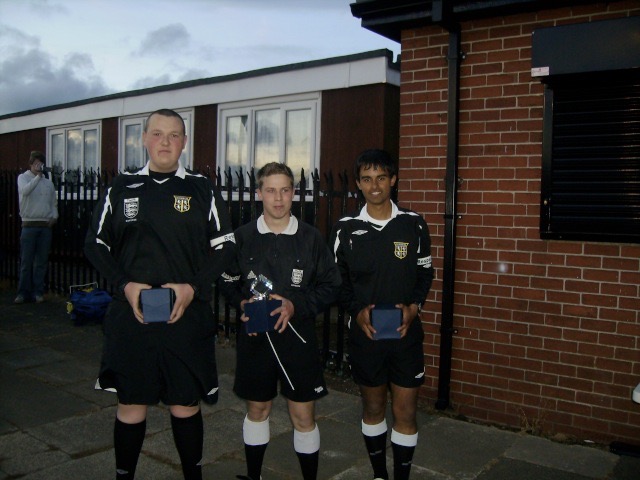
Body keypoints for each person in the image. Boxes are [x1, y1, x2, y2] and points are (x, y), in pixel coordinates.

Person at [84, 108, 235, 480]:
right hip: (131, 317)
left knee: (184, 405)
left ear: (184, 143)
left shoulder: (202, 188)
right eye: (157, 133)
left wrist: (193, 287)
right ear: (143, 138)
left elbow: (226, 246)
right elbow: (95, 244)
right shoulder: (121, 186)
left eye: (173, 135)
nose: (165, 141)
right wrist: (124, 285)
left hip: (186, 317)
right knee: (131, 405)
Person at [218, 162, 341, 480]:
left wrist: (295, 305)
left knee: (303, 414)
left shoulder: (311, 238)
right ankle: (254, 475)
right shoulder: (242, 237)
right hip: (256, 339)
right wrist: (240, 301)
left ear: (294, 193)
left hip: (297, 339)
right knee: (257, 410)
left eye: (285, 190)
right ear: (259, 193)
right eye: (270, 190)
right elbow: (226, 280)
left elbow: (332, 285)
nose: (278, 198)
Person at [329, 149, 434, 480]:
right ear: (358, 184)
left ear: (393, 180)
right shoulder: (345, 229)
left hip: (405, 335)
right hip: (367, 337)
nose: (374, 186)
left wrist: (415, 306)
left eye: (381, 178)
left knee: (405, 411)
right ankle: (379, 474)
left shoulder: (413, 224)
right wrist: (357, 312)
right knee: (373, 408)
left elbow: (425, 273)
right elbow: (336, 282)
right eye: (366, 179)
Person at [15, 150, 58, 304]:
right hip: (29, 225)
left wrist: (54, 217)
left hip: (45, 226)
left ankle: (38, 292)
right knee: (26, 261)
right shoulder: (23, 178)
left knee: (41, 261)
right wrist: (38, 177)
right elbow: (24, 192)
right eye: (36, 163)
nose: (38, 166)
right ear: (31, 164)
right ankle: (22, 293)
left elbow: (53, 202)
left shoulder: (48, 183)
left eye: (41, 163)